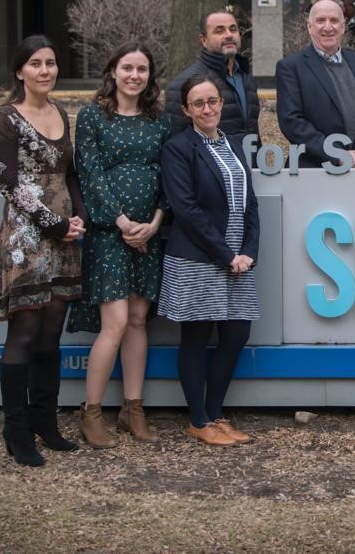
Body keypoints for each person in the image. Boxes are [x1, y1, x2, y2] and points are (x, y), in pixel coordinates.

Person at [67, 42, 170, 448]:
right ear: (113, 71)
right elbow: (89, 173)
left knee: (139, 319)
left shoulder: (160, 120)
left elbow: (168, 175)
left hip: (148, 233)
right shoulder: (93, 116)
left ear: (149, 76)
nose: (134, 75)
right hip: (110, 233)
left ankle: (133, 408)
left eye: (142, 69)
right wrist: (123, 223)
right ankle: (91, 411)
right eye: (127, 67)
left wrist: (154, 224)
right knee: (116, 322)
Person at [0, 35, 87, 466]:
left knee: (51, 332)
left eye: (50, 62)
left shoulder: (60, 113)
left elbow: (70, 174)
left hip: (65, 238)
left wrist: (79, 217)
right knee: (25, 332)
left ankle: (45, 422)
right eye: (35, 63)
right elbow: (8, 183)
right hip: (26, 240)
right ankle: (16, 430)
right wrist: (55, 224)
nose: (45, 70)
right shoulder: (6, 117)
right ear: (20, 71)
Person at [158, 74, 261, 446]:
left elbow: (250, 203)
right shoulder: (178, 148)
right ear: (187, 110)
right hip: (199, 257)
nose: (207, 109)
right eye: (198, 103)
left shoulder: (233, 143)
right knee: (196, 337)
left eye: (212, 101)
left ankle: (216, 413)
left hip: (237, 261)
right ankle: (199, 421)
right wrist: (226, 254)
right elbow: (186, 209)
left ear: (221, 103)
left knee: (236, 334)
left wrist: (249, 250)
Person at [276, 0, 355, 168]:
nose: (328, 27)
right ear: (309, 27)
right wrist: (336, 154)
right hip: (314, 170)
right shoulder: (291, 68)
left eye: (334, 20)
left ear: (343, 26)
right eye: (320, 20)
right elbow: (291, 121)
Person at [165, 9, 260, 153]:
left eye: (233, 29)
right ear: (204, 40)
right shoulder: (184, 84)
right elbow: (177, 145)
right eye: (219, 31)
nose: (229, 35)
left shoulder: (246, 79)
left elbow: (252, 130)